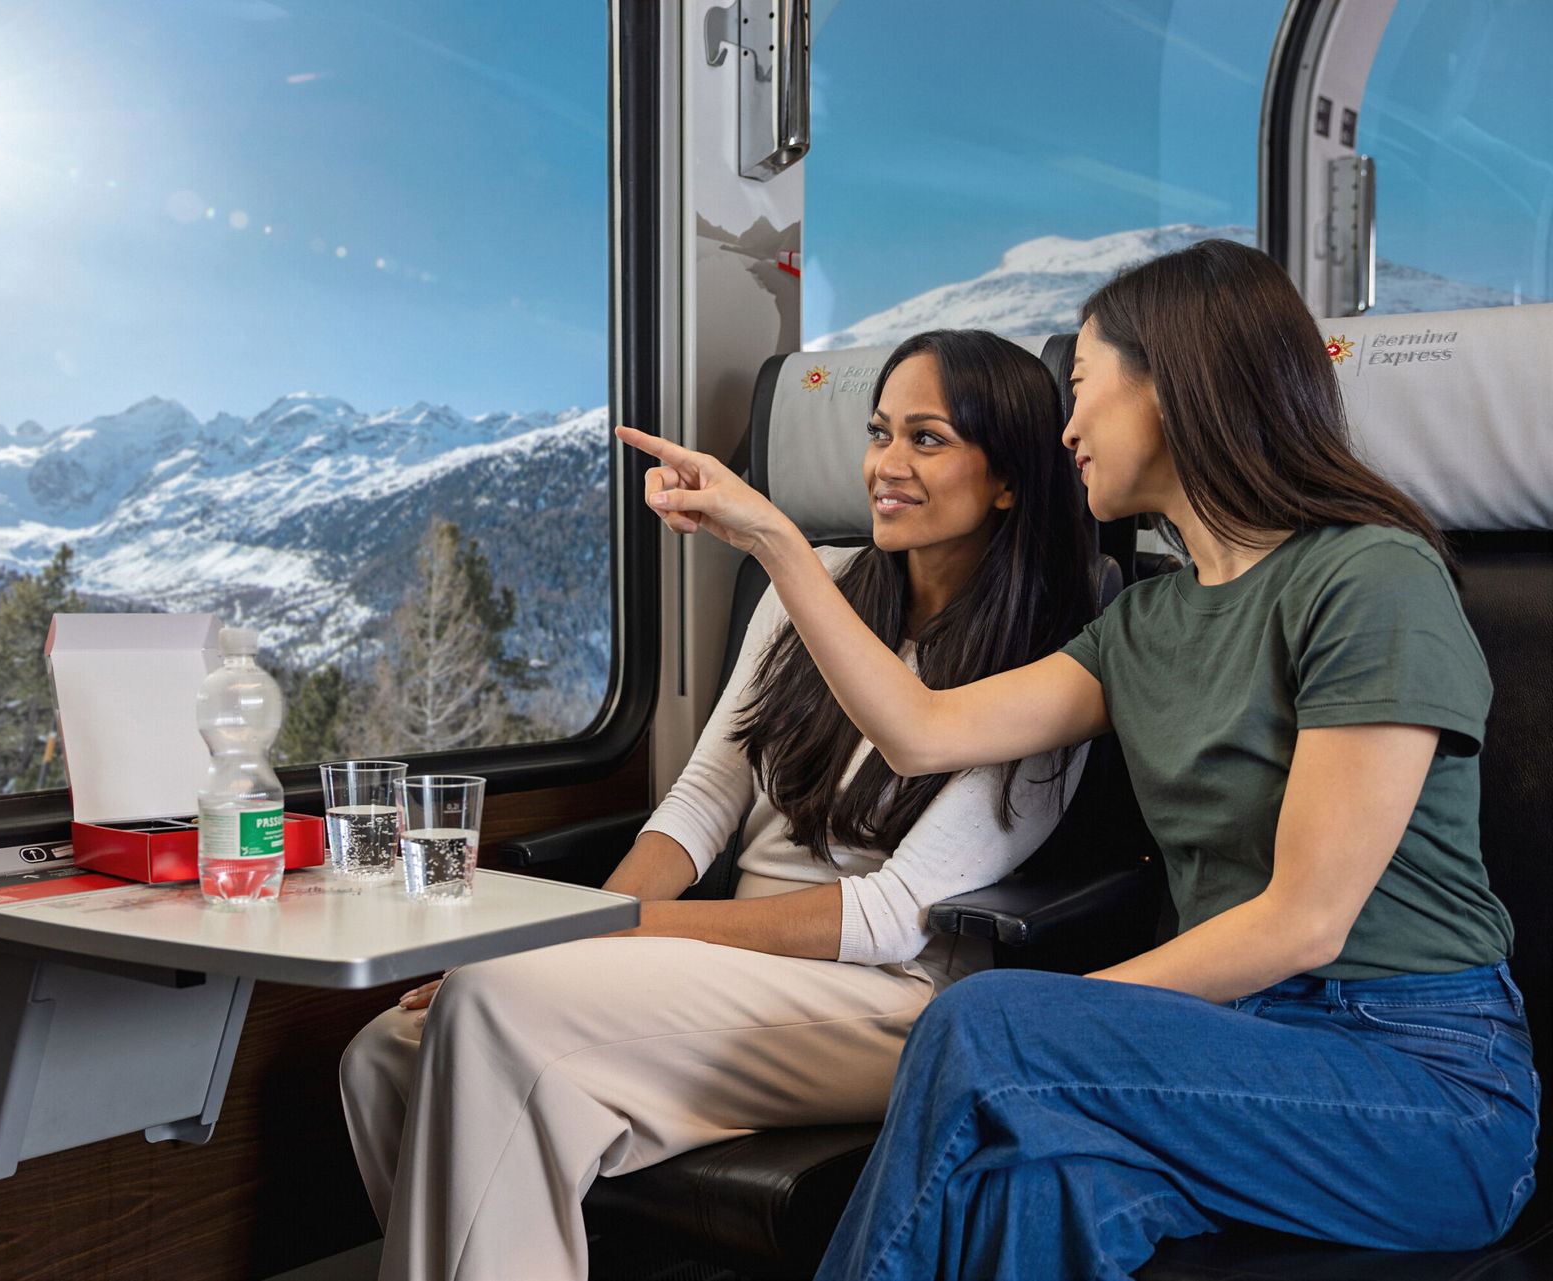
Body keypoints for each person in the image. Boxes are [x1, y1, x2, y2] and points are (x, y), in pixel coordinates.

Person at [622, 239, 1535, 1281]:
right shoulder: (1142, 622)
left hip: (1419, 1084)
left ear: (1175, 393)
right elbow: (920, 728)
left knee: (989, 1022)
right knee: (1028, 1191)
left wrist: (1074, 1025)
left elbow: (1305, 919)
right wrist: (778, 547)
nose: (1066, 429)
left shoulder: (1371, 579)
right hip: (1224, 1052)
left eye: (1086, 388)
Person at [340, 329, 1097, 1281]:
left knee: (492, 1002)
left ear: (1009, 480)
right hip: (727, 963)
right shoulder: (812, 589)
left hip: (893, 998)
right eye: (878, 432)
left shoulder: (1052, 664)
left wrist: (603, 936)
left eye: (928, 439)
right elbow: (701, 800)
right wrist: (592, 926)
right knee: (386, 1052)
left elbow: (887, 915)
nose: (885, 466)